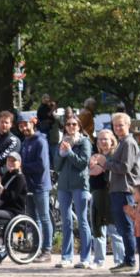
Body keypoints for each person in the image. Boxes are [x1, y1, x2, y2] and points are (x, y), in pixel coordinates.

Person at [98, 112, 140, 273]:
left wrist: (106, 163)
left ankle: (130, 260)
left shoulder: (128, 143)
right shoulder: (123, 142)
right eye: (115, 125)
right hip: (118, 188)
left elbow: (124, 168)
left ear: (128, 126)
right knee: (122, 226)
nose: (118, 128)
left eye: (121, 125)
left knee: (126, 226)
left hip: (125, 189)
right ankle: (127, 259)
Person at [53, 113, 92, 268]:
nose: (70, 127)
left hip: (80, 185)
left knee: (82, 220)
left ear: (79, 126)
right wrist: (62, 153)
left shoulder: (84, 142)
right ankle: (66, 257)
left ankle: (85, 258)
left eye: (74, 124)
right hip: (64, 186)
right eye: (68, 124)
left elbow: (82, 163)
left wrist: (69, 152)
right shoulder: (62, 142)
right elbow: (56, 166)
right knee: (66, 221)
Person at [17, 112, 53, 263]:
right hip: (29, 185)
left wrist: (22, 167)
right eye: (20, 125)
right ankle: (36, 249)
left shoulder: (40, 141)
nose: (23, 127)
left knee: (44, 217)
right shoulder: (25, 142)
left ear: (33, 122)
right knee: (33, 218)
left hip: (40, 185)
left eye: (26, 124)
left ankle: (47, 250)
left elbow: (41, 165)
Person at [89, 129, 125, 269]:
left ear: (112, 141)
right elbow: (90, 171)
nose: (103, 142)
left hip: (110, 193)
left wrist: (98, 166)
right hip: (96, 193)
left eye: (105, 139)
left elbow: (98, 171)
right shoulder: (95, 156)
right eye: (100, 139)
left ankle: (119, 259)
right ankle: (99, 260)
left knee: (113, 228)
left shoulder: (114, 155)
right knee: (98, 228)